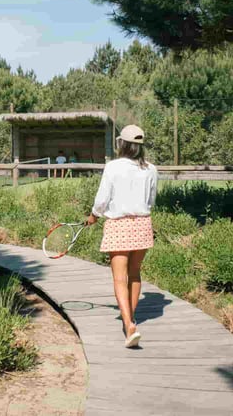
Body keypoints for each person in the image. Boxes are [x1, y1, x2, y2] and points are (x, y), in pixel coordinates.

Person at [85, 124, 157, 348]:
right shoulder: (151, 169)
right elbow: (151, 201)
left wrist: (94, 215)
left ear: (122, 144)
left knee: (119, 279)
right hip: (143, 225)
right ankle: (132, 319)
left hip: (118, 225)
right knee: (134, 275)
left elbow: (102, 198)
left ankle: (129, 325)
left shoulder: (113, 167)